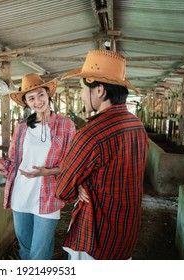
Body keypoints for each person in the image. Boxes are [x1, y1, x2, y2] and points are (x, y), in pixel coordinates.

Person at [0, 73, 76, 260]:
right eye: (31, 98)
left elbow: (72, 163)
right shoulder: (22, 128)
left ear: (48, 94)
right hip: (21, 196)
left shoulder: (66, 126)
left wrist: (48, 172)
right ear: (26, 103)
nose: (37, 101)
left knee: (39, 254)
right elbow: (12, 164)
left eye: (40, 95)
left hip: (47, 197)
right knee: (25, 251)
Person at [55, 50, 149, 260]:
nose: (80, 94)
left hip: (95, 237)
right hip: (126, 232)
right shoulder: (137, 126)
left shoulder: (90, 135)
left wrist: (77, 185)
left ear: (99, 90)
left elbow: (62, 190)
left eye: (81, 89)